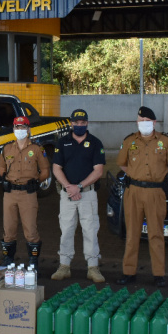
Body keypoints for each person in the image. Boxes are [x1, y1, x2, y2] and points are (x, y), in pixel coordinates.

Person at [116, 106, 168, 287]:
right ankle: (129, 272)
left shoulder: (165, 141)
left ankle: (159, 274)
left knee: (156, 234)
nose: (144, 123)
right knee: (132, 234)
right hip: (134, 192)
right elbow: (122, 164)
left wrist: (158, 175)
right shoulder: (129, 141)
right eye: (141, 120)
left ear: (154, 122)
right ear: (137, 122)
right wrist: (136, 175)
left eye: (147, 121)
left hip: (155, 192)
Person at [50, 109, 106, 283]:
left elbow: (99, 171)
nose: (79, 125)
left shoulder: (95, 143)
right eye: (76, 122)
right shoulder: (62, 142)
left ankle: (93, 267)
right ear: (71, 123)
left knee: (90, 230)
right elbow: (56, 168)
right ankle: (64, 266)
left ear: (87, 123)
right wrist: (69, 187)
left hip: (87, 194)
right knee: (66, 229)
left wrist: (79, 187)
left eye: (83, 123)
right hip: (67, 194)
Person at [0, 116, 50, 269]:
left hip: (28, 194)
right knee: (8, 229)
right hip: (10, 194)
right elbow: (1, 168)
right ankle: (8, 259)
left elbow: (45, 171)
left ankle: (33, 262)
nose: (19, 130)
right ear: (13, 129)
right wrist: (4, 178)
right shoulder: (7, 148)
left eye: (22, 127)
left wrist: (37, 181)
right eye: (17, 127)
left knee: (31, 230)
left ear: (28, 129)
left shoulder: (37, 149)